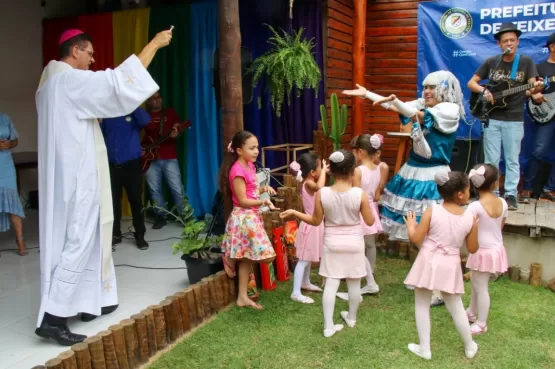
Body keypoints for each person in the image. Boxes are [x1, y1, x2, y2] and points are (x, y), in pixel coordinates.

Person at [35, 27, 172, 345]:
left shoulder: (49, 82)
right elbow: (116, 84)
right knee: (80, 239)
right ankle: (54, 318)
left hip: (64, 175)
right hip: (77, 176)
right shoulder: (68, 79)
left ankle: (89, 301)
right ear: (75, 51)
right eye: (90, 54)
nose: (93, 61)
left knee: (88, 235)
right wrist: (154, 44)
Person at [343, 70, 465, 307]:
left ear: (444, 90)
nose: (427, 91)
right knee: (420, 231)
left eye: (432, 87)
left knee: (433, 234)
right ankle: (427, 279)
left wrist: (396, 102)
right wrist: (367, 94)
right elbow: (395, 106)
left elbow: (416, 113)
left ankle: (439, 289)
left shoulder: (449, 110)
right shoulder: (423, 106)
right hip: (413, 173)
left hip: (433, 176)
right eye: (425, 87)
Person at [281, 150, 376, 338]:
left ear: (330, 170)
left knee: (331, 283)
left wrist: (294, 212)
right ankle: (351, 317)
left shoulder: (322, 193)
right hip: (354, 242)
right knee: (354, 281)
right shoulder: (359, 194)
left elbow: (315, 220)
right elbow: (370, 221)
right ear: (352, 171)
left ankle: (328, 326)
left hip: (332, 242)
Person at [403, 171, 479, 360]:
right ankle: (469, 345)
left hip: (428, 258)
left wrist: (411, 225)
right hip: (450, 263)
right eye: (469, 189)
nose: (470, 192)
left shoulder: (432, 210)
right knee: (456, 306)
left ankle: (425, 348)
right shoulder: (469, 218)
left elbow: (416, 238)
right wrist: (475, 228)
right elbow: (472, 248)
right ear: (460, 194)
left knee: (421, 304)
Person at [467, 22, 542, 210]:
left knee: (511, 158)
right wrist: (483, 91)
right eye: (505, 41)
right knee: (491, 159)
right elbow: (472, 83)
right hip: (492, 117)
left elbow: (532, 85)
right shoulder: (492, 62)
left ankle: (510, 194)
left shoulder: (525, 62)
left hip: (514, 118)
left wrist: (536, 90)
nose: (509, 43)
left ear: (517, 42)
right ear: (499, 44)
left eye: (512, 40)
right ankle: (492, 193)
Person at [219, 130, 277, 310]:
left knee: (247, 258)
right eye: (251, 148)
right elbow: (242, 200)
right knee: (267, 255)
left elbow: (250, 191)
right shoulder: (237, 170)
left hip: (252, 216)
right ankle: (229, 257)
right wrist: (264, 200)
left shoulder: (250, 166)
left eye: (257, 147)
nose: (256, 151)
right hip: (243, 218)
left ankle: (242, 297)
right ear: (238, 150)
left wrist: (262, 189)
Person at [337, 134, 381, 302]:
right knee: (370, 245)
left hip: (360, 209)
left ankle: (367, 279)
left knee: (357, 247)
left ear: (361, 152)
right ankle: (369, 273)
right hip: (371, 209)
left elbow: (354, 194)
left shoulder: (358, 170)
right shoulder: (377, 168)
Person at [465, 164, 509, 335]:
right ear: (496, 183)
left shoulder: (474, 207)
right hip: (495, 248)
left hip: (482, 250)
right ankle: (471, 311)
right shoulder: (503, 202)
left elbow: (468, 229)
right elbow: (501, 226)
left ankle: (481, 323)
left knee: (480, 286)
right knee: (477, 282)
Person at [100, 107, 151, 251]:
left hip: (131, 165)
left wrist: (132, 104)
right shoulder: (107, 112)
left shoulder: (132, 111)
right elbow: (101, 133)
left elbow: (145, 120)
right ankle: (115, 234)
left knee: (135, 201)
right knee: (113, 202)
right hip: (112, 165)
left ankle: (140, 235)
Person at [288, 153, 328, 304]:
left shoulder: (307, 181)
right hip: (310, 225)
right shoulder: (309, 183)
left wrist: (323, 170)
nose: (321, 170)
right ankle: (295, 292)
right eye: (319, 167)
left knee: (309, 257)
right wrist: (324, 171)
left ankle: (305, 282)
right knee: (304, 259)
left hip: (315, 224)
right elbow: (320, 187)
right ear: (312, 172)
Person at [521, 32, 555, 203]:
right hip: (547, 114)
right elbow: (531, 92)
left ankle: (550, 188)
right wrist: (537, 94)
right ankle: (527, 188)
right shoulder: (540, 68)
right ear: (552, 47)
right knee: (539, 151)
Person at [143, 91, 185, 229]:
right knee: (154, 189)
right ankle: (161, 216)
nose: (157, 100)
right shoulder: (143, 115)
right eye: (153, 98)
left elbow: (178, 129)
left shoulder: (170, 113)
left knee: (177, 188)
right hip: (149, 158)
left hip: (169, 156)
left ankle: (185, 216)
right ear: (148, 101)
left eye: (159, 97)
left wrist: (176, 133)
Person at [0, 112, 27, 256]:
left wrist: (10, 144)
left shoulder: (5, 118)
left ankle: (20, 241)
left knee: (13, 202)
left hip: (6, 165)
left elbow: (15, 140)